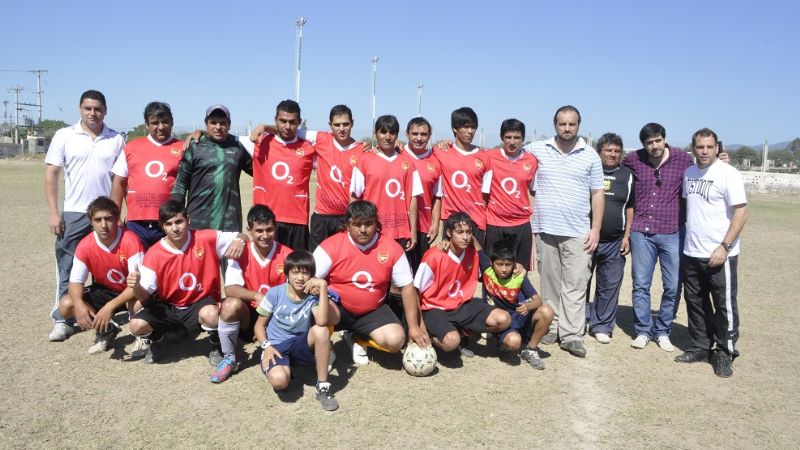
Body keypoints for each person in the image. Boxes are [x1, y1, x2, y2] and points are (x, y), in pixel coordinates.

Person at [126, 200, 248, 370]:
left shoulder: (206, 238)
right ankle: (158, 340)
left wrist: (239, 241)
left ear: (188, 220)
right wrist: (136, 286)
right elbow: (145, 299)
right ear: (162, 226)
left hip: (200, 303)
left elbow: (241, 236)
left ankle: (215, 344)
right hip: (169, 306)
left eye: (179, 221)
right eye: (168, 224)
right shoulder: (154, 253)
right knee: (136, 324)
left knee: (212, 315)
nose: (175, 228)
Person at [45, 89, 126, 342]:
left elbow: (119, 180)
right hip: (74, 212)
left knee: (108, 267)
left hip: (105, 215)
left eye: (98, 109)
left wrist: (115, 212)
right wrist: (53, 212)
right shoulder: (64, 136)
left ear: (105, 110)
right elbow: (52, 174)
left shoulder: (116, 139)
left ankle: (106, 313)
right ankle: (63, 318)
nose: (93, 113)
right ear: (80, 109)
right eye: (88, 108)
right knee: (67, 265)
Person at [523, 105, 603, 358]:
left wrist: (596, 229)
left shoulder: (590, 155)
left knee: (575, 285)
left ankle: (571, 335)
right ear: (555, 125)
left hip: (578, 232)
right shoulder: (537, 149)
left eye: (572, 124)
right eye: (562, 124)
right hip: (545, 230)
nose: (567, 128)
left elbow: (597, 193)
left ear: (578, 125)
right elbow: (509, 157)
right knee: (550, 285)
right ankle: (551, 327)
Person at [312, 200, 430, 365]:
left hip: (372, 311)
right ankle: (326, 346)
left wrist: (414, 327)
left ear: (377, 224)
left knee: (396, 341)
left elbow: (407, 287)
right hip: (338, 307)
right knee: (318, 314)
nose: (363, 230)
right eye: (357, 225)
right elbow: (308, 278)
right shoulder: (330, 246)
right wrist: (316, 287)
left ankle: (357, 339)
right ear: (347, 225)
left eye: (368, 224)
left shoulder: (392, 248)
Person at [677, 128, 748, 378]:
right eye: (699, 147)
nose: (704, 151)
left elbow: (741, 212)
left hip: (720, 254)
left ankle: (725, 351)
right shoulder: (689, 173)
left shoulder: (728, 174)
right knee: (695, 302)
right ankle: (699, 346)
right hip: (692, 251)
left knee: (724, 304)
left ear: (717, 147)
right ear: (693, 148)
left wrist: (724, 246)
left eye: (709, 146)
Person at [250, 105, 366, 250]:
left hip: (346, 216)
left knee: (344, 259)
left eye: (346, 124)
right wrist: (264, 126)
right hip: (322, 217)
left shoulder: (363, 150)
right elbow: (288, 130)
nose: (341, 128)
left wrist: (395, 145)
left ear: (352, 123)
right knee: (314, 263)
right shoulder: (321, 139)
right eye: (337, 125)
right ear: (330, 125)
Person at [622, 123, 693, 351]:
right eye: (650, 142)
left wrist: (721, 160)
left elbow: (704, 170)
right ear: (644, 144)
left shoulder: (683, 160)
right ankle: (643, 330)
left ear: (664, 139)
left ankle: (663, 331)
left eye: (658, 140)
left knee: (672, 286)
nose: (655, 146)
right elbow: (615, 169)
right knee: (641, 285)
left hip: (672, 232)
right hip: (641, 233)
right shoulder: (634, 159)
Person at [212, 205, 293, 383]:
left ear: (276, 227)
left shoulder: (287, 254)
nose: (265, 235)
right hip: (249, 316)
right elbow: (230, 289)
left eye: (269, 229)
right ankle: (229, 358)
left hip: (275, 318)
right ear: (249, 230)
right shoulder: (241, 252)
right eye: (259, 231)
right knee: (230, 304)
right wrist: (257, 296)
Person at [414, 212, 511, 356]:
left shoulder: (473, 254)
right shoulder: (434, 256)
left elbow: (490, 267)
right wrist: (419, 325)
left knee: (504, 319)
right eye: (459, 232)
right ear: (449, 233)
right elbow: (414, 291)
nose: (465, 237)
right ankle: (437, 336)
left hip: (462, 306)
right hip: (435, 309)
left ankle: (463, 331)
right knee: (451, 342)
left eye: (468, 232)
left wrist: (516, 268)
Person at [57, 196, 144, 354]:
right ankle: (107, 330)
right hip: (104, 290)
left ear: (117, 218)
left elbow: (137, 285)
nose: (103, 225)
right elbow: (75, 283)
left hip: (130, 291)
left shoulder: (131, 241)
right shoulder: (85, 245)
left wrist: (109, 307)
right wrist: (79, 304)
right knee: (66, 305)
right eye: (98, 220)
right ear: (91, 221)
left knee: (137, 304)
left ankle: (144, 337)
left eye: (108, 219)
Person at [255, 250, 339, 411]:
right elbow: (258, 325)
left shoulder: (312, 296)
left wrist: (323, 286)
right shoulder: (275, 293)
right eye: (295, 272)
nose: (300, 278)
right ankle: (282, 367)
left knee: (321, 330)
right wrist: (266, 346)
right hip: (277, 346)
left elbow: (321, 321)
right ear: (287, 273)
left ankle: (322, 386)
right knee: (280, 381)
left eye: (305, 273)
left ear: (312, 276)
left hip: (299, 343)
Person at [111, 101, 184, 248]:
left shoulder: (183, 148)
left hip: (169, 223)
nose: (161, 127)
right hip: (136, 224)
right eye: (155, 123)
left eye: (165, 122)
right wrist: (115, 217)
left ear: (172, 122)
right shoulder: (131, 147)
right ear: (146, 125)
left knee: (167, 269)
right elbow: (118, 183)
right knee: (137, 268)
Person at [171, 105, 253, 233]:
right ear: (206, 124)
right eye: (213, 123)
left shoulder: (238, 148)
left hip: (229, 226)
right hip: (197, 223)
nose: (218, 127)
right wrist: (175, 214)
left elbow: (260, 172)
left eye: (223, 123)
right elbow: (181, 183)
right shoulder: (194, 147)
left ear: (229, 125)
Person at [586, 133, 635, 344]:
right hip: (587, 239)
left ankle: (602, 326)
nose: (612, 154)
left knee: (609, 285)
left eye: (616, 151)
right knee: (580, 283)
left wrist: (627, 236)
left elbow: (631, 208)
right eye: (608, 150)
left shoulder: (628, 176)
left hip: (615, 242)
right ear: (599, 152)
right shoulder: (589, 170)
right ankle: (577, 322)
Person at [350, 114, 421, 252]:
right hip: (371, 229)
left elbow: (413, 199)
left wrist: (412, 231)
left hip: (400, 232)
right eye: (383, 132)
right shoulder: (364, 160)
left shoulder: (408, 163)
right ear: (375, 134)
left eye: (392, 132)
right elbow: (354, 197)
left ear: (397, 135)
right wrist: (354, 226)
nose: (387, 137)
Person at [479, 239, 553, 369]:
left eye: (508, 264)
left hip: (521, 316)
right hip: (503, 320)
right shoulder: (487, 270)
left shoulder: (519, 276)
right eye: (500, 264)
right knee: (514, 342)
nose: (504, 269)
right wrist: (446, 240)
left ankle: (530, 349)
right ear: (491, 262)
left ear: (514, 264)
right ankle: (503, 340)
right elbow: (476, 246)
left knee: (547, 311)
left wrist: (527, 306)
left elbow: (538, 300)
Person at [252, 100, 316, 250]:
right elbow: (223, 138)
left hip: (297, 221)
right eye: (283, 121)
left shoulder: (308, 149)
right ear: (276, 120)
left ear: (299, 122)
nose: (287, 127)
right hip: (267, 222)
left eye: (292, 122)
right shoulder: (260, 143)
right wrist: (200, 133)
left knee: (297, 270)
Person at [484, 119, 538, 270]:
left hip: (521, 224)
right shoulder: (489, 157)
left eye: (516, 138)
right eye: (508, 137)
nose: (512, 142)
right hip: (495, 223)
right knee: (493, 271)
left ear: (523, 138)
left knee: (519, 272)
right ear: (502, 138)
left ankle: (519, 295)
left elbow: (534, 189)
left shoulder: (531, 161)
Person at [433, 107, 492, 245]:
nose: (470, 131)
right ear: (455, 128)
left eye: (473, 127)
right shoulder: (440, 152)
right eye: (466, 127)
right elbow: (416, 154)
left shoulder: (484, 157)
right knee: (450, 264)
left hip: (476, 222)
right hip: (451, 221)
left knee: (476, 264)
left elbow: (485, 196)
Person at [402, 117, 442, 272]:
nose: (419, 138)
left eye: (423, 134)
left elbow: (437, 196)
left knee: (419, 271)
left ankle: (419, 297)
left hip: (423, 225)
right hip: (398, 225)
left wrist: (435, 223)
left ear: (429, 135)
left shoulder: (436, 161)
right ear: (407, 134)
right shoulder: (397, 153)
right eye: (415, 133)